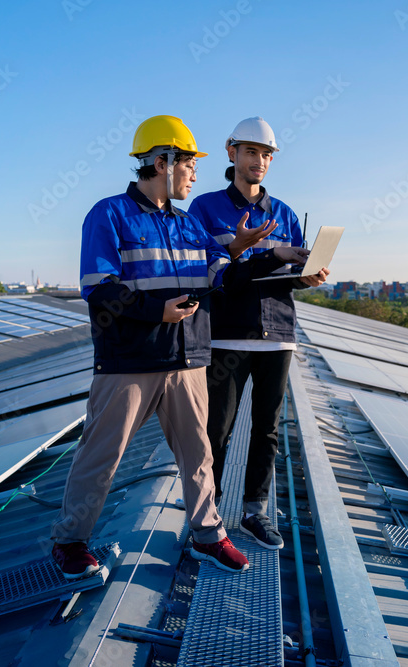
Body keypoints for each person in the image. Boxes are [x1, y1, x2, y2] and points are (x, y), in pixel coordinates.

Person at [50, 115, 309, 577]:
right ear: (162, 161)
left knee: (199, 454)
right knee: (102, 454)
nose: (194, 173)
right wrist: (157, 312)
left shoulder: (190, 226)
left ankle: (209, 535)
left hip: (189, 358)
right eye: (189, 163)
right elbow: (99, 287)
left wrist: (255, 253)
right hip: (130, 360)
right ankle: (70, 541)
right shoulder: (108, 214)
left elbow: (222, 278)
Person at [188, 117, 329, 550]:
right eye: (252, 152)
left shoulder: (284, 213)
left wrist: (306, 278)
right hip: (227, 336)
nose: (260, 161)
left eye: (266, 154)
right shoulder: (205, 209)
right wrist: (264, 254)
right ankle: (208, 517)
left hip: (278, 336)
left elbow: (288, 276)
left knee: (267, 428)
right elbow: (213, 273)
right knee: (218, 430)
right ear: (231, 153)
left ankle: (255, 511)